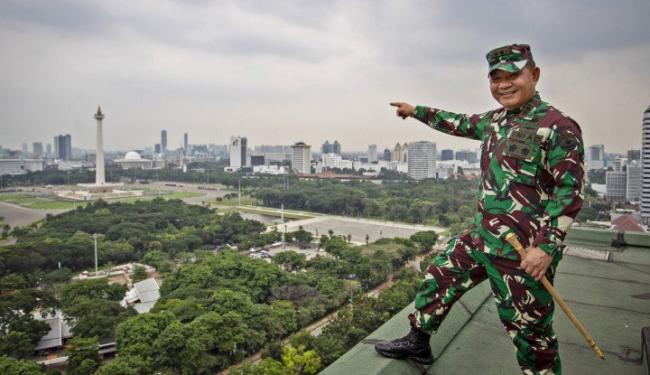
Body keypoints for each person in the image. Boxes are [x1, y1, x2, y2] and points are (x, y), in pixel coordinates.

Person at [374, 43, 584, 374]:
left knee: (530, 333)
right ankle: (418, 340)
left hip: (523, 250)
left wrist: (544, 248)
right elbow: (456, 122)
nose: (504, 84)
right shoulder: (495, 121)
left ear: (534, 74)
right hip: (482, 237)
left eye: (513, 75)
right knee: (438, 276)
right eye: (496, 78)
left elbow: (569, 193)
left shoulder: (557, 126)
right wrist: (416, 110)